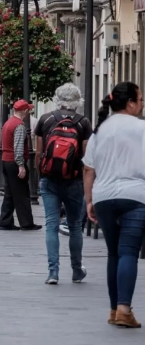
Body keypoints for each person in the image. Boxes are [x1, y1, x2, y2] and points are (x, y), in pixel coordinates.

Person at [83, 81, 145, 328]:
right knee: (129, 252)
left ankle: (112, 309)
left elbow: (89, 169)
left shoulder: (100, 130)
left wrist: (89, 201)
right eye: (140, 100)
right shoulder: (142, 128)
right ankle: (123, 309)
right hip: (136, 196)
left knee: (113, 253)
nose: (141, 105)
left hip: (104, 196)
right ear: (130, 103)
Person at [34, 83, 92, 285]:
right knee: (75, 227)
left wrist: (41, 173)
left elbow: (39, 153)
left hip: (49, 179)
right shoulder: (83, 123)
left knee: (51, 225)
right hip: (74, 180)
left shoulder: (45, 120)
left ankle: (53, 272)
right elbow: (86, 157)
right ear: (78, 101)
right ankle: (76, 270)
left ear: (57, 99)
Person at [0, 100, 41, 231]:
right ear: (25, 111)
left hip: (6, 161)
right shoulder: (19, 125)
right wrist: (21, 165)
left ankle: (5, 221)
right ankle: (26, 223)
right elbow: (18, 147)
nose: (29, 112)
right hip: (14, 162)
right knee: (22, 194)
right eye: (28, 109)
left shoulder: (8, 123)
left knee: (9, 193)